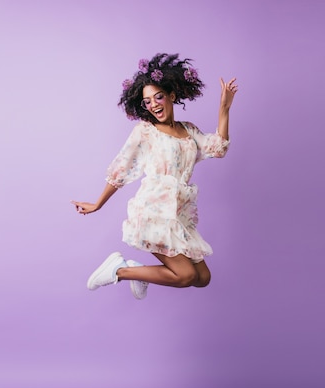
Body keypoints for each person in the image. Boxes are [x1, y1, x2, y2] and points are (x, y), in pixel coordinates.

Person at [72, 52, 238, 300]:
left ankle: (138, 271)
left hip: (178, 213)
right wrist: (98, 203)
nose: (153, 105)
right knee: (185, 276)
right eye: (147, 102)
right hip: (154, 210)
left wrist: (224, 107)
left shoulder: (188, 130)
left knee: (203, 278)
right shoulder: (146, 131)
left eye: (158, 97)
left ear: (171, 95)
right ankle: (121, 270)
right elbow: (121, 168)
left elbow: (218, 148)